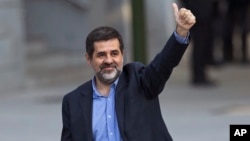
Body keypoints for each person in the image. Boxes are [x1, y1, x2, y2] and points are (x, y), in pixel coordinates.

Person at [61, 3, 196, 141]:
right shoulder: (73, 102)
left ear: (122, 55)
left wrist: (181, 32)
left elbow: (163, 64)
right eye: (101, 55)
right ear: (89, 58)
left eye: (114, 53)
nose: (109, 60)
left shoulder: (140, 81)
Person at [180, 0, 217, 86]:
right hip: (198, 11)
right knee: (199, 44)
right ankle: (199, 74)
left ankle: (201, 73)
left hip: (201, 11)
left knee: (202, 43)